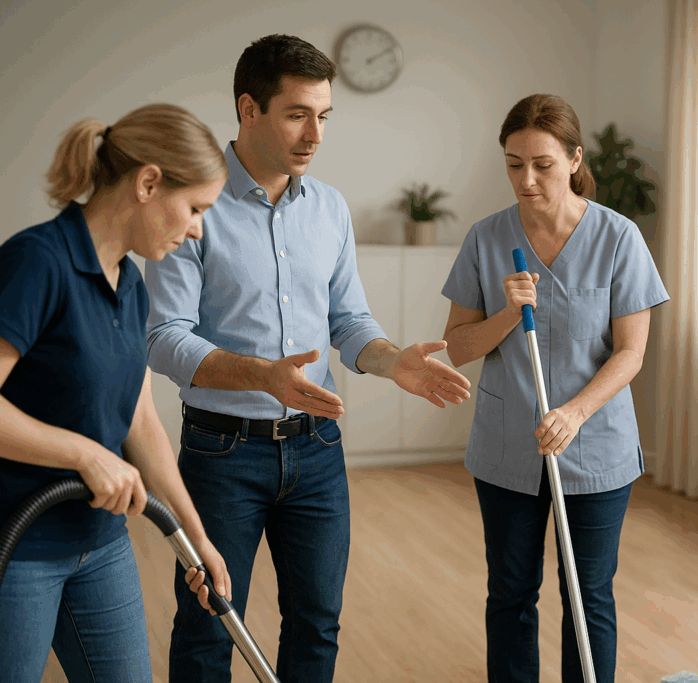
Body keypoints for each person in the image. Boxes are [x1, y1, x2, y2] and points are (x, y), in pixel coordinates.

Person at [145, 34, 472, 682]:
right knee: (209, 623)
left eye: (323, 116)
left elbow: (349, 321)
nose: (314, 133)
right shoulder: (193, 206)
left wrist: (388, 360)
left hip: (318, 449)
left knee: (318, 624)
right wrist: (260, 375)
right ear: (249, 109)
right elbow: (165, 336)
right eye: (298, 113)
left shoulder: (329, 208)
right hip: (221, 455)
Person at [441, 93, 669, 683]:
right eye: (514, 164)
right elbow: (460, 347)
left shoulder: (618, 239)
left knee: (588, 595)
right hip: (506, 447)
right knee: (510, 594)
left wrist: (575, 411)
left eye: (542, 164)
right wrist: (508, 315)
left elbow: (632, 351)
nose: (527, 178)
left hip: (594, 445)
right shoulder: (485, 239)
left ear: (573, 159)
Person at [0, 104, 232, 683]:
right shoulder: (36, 263)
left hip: (101, 542)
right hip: (19, 545)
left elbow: (140, 422)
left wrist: (195, 538)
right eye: (196, 208)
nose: (199, 227)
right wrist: (83, 454)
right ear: (148, 182)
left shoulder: (130, 285)